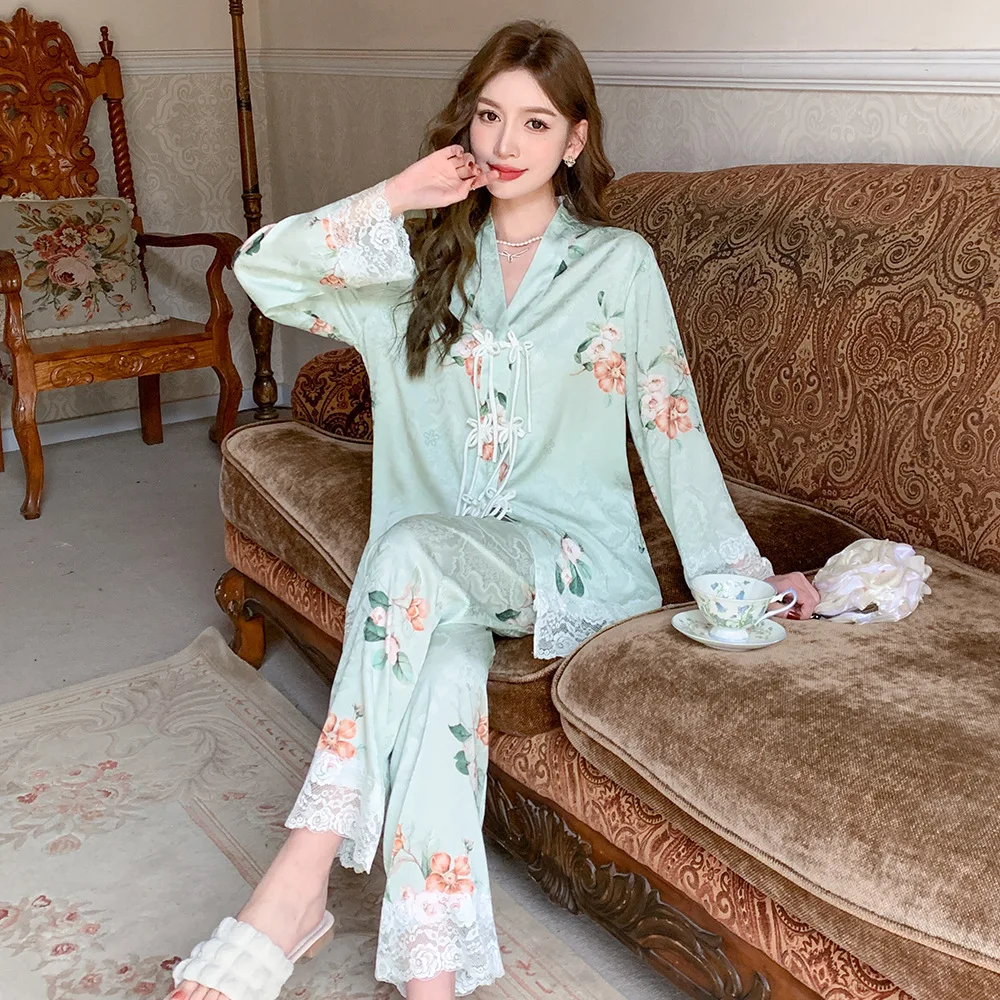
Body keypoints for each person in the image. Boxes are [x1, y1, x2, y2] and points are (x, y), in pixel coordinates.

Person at [166, 18, 820, 1000]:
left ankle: (294, 883)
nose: (506, 142)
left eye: (535, 121)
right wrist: (396, 195)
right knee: (441, 669)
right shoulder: (411, 265)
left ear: (575, 139)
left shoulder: (617, 266)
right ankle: (430, 975)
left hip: (570, 564)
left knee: (408, 554)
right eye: (488, 115)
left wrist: (739, 582)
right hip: (443, 576)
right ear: (463, 126)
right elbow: (262, 271)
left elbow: (670, 427)